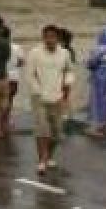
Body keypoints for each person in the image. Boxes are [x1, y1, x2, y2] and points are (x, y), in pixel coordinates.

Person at [27, 24, 75, 174]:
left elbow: (69, 71)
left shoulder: (65, 54)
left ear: (58, 38)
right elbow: (30, 74)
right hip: (39, 98)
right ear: (43, 38)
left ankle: (49, 156)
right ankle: (42, 160)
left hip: (57, 97)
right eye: (47, 37)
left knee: (57, 132)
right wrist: (38, 91)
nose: (50, 40)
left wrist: (67, 85)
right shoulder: (35, 53)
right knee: (42, 130)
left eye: (53, 37)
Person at [1, 25, 24, 136]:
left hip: (0, 76)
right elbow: (21, 62)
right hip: (14, 76)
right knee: (9, 100)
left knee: (0, 100)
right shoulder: (16, 47)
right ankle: (6, 122)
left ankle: (1, 122)